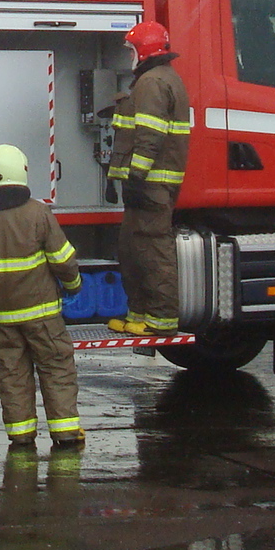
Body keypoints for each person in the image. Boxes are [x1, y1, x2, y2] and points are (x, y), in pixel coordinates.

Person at [0, 144, 84, 449]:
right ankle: (66, 433)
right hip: (41, 314)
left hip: (1, 318)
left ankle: (20, 435)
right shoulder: (37, 213)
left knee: (11, 374)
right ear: (22, 171)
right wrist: (74, 286)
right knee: (56, 368)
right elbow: (62, 260)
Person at [106, 20, 193, 336]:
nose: (130, 56)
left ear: (144, 51)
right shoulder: (158, 79)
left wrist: (137, 176)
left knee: (153, 252)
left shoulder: (152, 82)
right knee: (133, 250)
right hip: (149, 184)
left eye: (132, 50)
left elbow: (150, 135)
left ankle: (160, 320)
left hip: (150, 185)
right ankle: (140, 315)